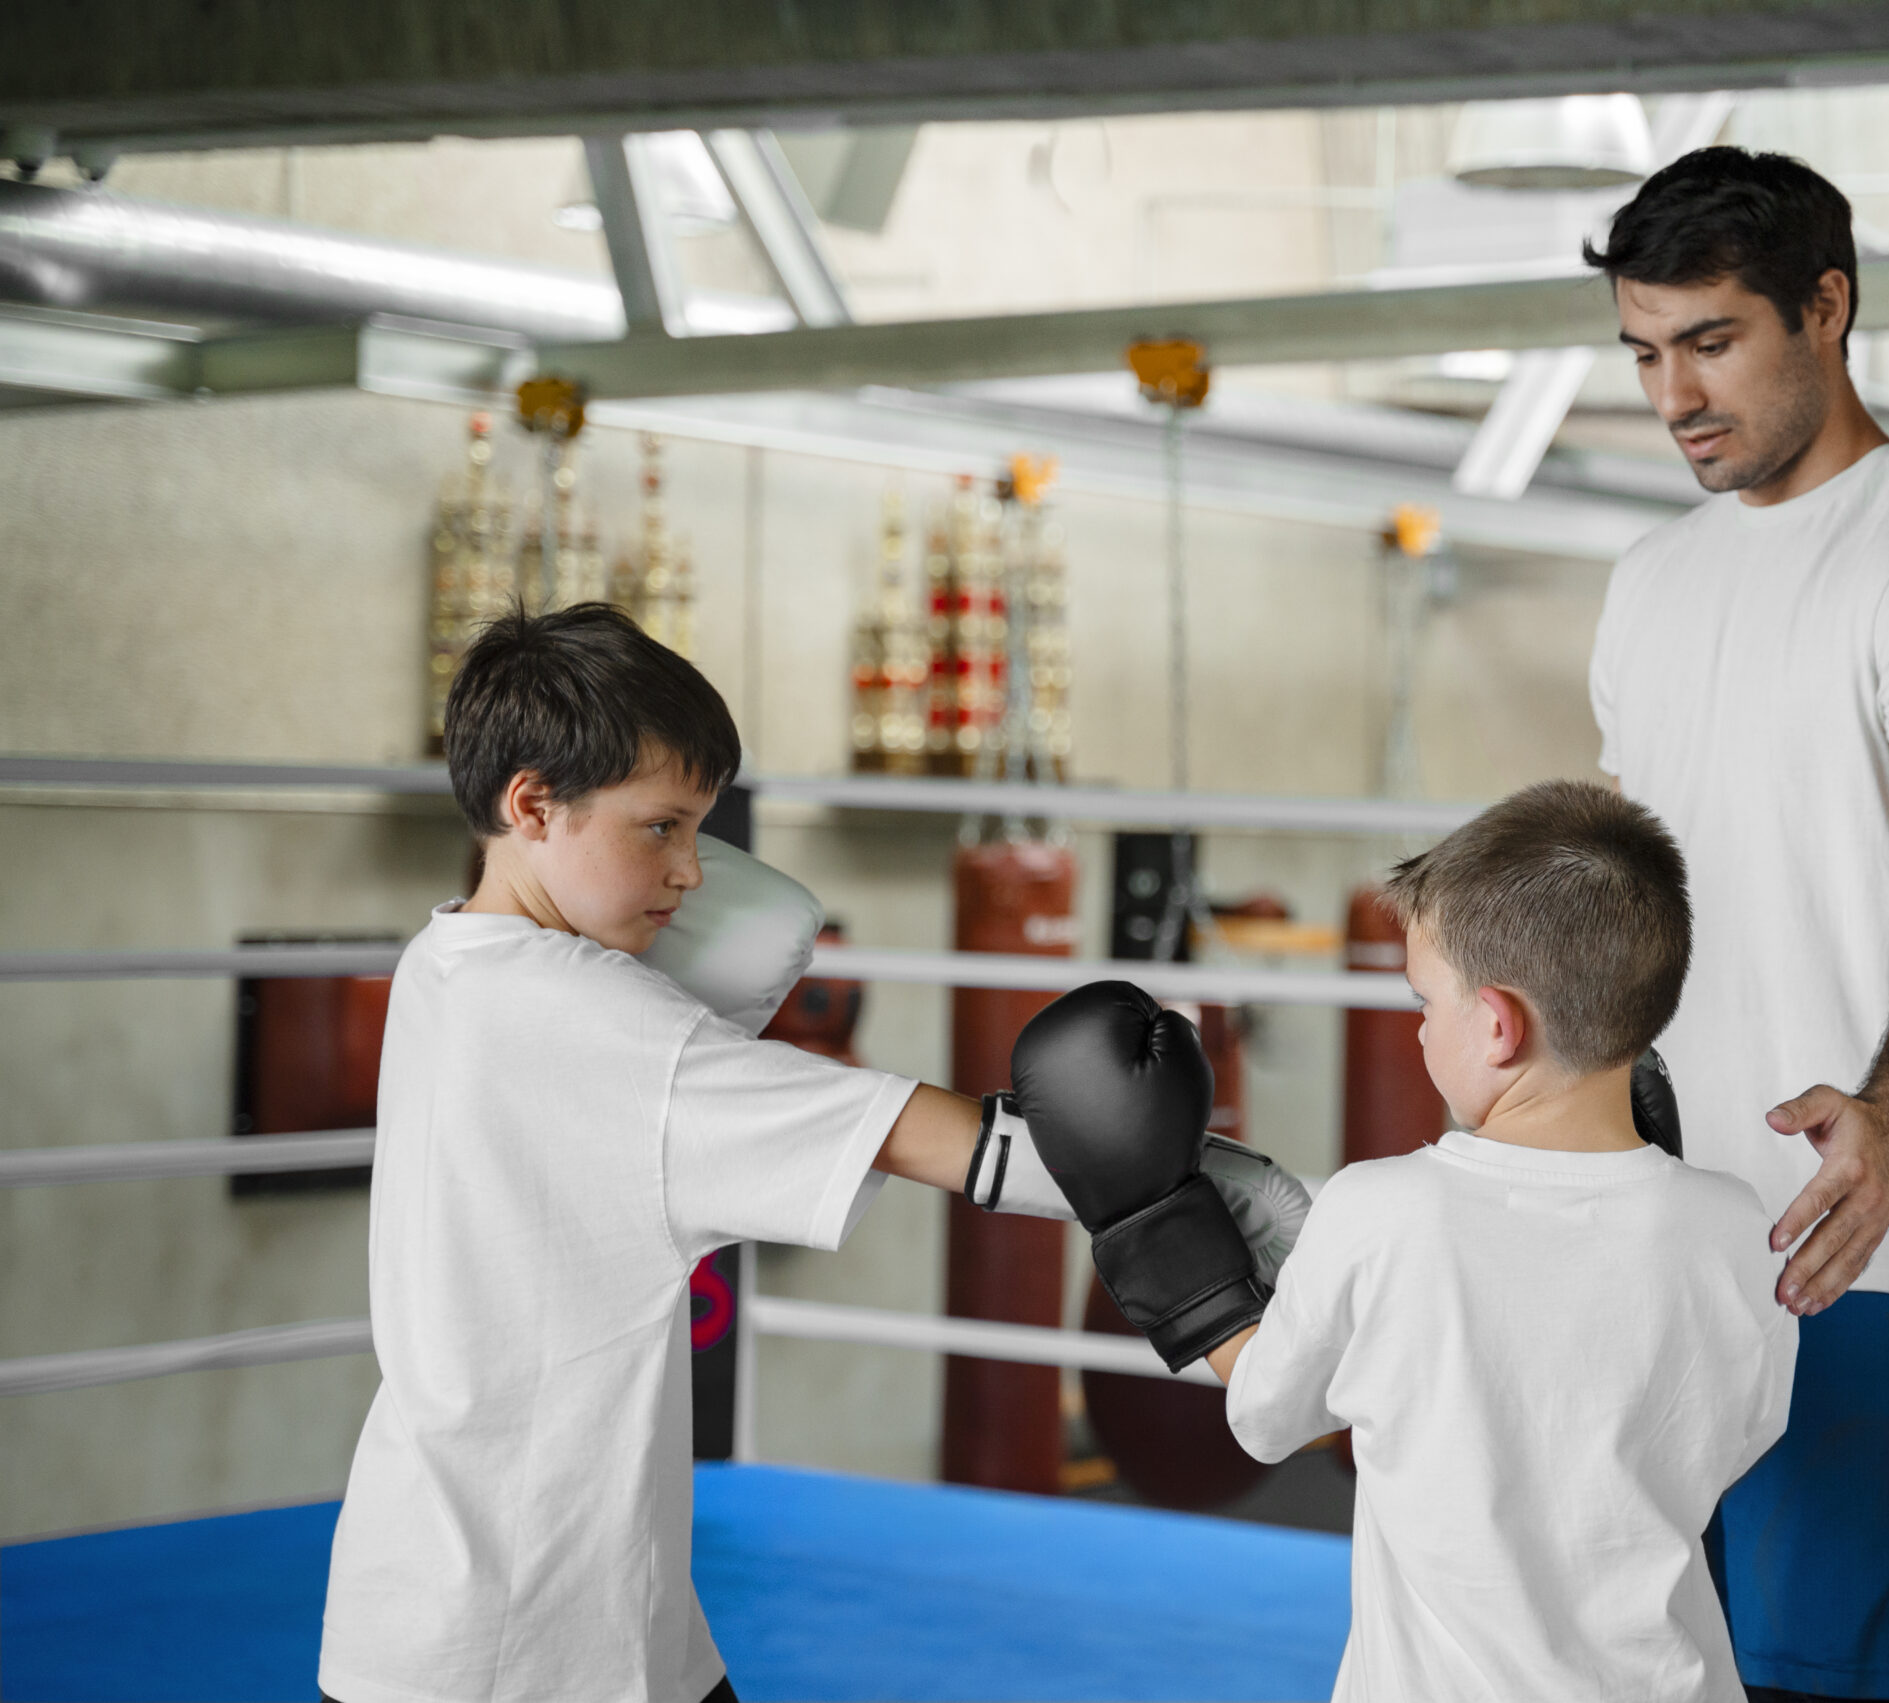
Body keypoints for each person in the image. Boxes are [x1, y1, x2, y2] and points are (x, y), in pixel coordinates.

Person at [316, 603, 1304, 1703]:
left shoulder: (447, 954)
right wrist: (1210, 1180)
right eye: (661, 828)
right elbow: (928, 1138)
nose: (693, 873)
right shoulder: (604, 1026)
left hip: (483, 1589)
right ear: (532, 803)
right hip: (525, 1647)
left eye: (699, 831)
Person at [1583, 147, 1889, 1702]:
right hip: (1664, 1232)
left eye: (1712, 341)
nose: (1675, 395)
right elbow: (1636, 900)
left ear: (1827, 307)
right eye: (1645, 352)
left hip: (1855, 1235)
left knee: (1829, 1680)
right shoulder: (1649, 579)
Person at [1009, 781, 1796, 1702]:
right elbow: (1744, 1433)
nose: (1418, 1028)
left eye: (1425, 1000)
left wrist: (1151, 1218)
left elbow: (1267, 1415)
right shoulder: (1739, 1227)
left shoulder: (1384, 1210)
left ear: (1497, 1025)